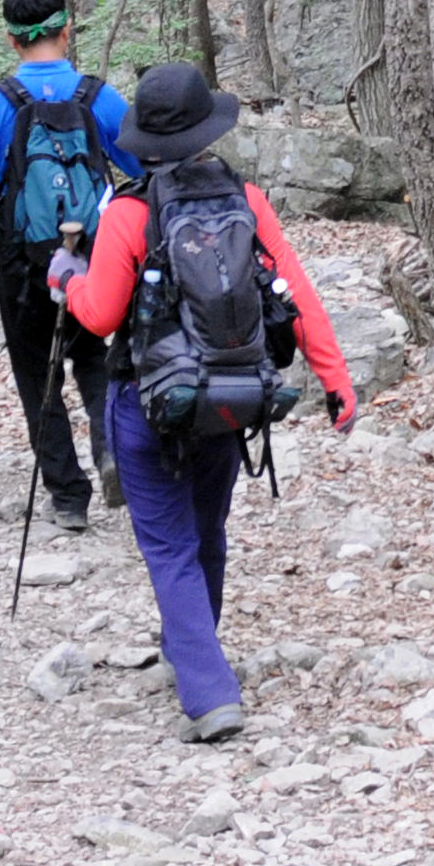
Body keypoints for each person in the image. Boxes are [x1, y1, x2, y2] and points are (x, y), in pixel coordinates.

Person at [53, 60, 356, 744]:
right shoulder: (246, 200)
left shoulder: (130, 210)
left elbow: (100, 316)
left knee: (168, 546)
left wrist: (65, 277)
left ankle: (209, 688)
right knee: (206, 530)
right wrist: (335, 380)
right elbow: (296, 296)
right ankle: (195, 647)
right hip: (233, 395)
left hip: (149, 401)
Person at [0, 0, 134, 532]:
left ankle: (68, 497)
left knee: (36, 372)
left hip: (21, 255)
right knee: (96, 355)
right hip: (94, 253)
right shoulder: (97, 97)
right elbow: (142, 161)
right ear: (66, 28)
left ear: (12, 41)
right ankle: (114, 451)